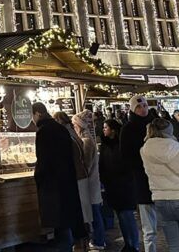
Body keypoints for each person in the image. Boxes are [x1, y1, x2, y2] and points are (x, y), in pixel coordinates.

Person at [140, 117, 179, 252]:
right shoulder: (176, 148)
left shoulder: (145, 149)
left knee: (174, 246)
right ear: (170, 131)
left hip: (161, 199)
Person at [32, 102, 86, 252]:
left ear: (37, 114)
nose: (33, 120)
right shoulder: (61, 128)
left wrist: (38, 177)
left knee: (60, 223)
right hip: (67, 181)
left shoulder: (43, 132)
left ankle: (66, 246)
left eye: (32, 116)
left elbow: (43, 160)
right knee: (66, 220)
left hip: (52, 185)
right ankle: (73, 245)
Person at [120, 94, 159, 252]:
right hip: (142, 180)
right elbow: (126, 156)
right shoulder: (128, 129)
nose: (142, 109)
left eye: (144, 106)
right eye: (138, 107)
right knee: (149, 228)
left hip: (162, 180)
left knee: (169, 225)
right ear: (132, 109)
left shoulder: (156, 125)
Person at [99, 119, 139, 252]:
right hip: (112, 186)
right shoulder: (104, 146)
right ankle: (128, 243)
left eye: (106, 127)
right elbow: (102, 164)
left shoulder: (123, 145)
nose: (104, 130)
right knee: (121, 216)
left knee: (127, 215)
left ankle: (134, 245)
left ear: (113, 130)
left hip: (124, 185)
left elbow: (127, 164)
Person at [54, 110, 91, 245]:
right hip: (81, 174)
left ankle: (82, 241)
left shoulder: (66, 136)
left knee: (80, 210)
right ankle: (85, 240)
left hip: (77, 176)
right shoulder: (73, 133)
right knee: (83, 210)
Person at [73, 110, 106, 251]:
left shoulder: (86, 141)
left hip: (90, 184)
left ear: (79, 126)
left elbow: (86, 164)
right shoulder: (87, 139)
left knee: (94, 213)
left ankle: (99, 240)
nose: (74, 127)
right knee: (95, 212)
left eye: (75, 125)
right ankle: (98, 239)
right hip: (92, 183)